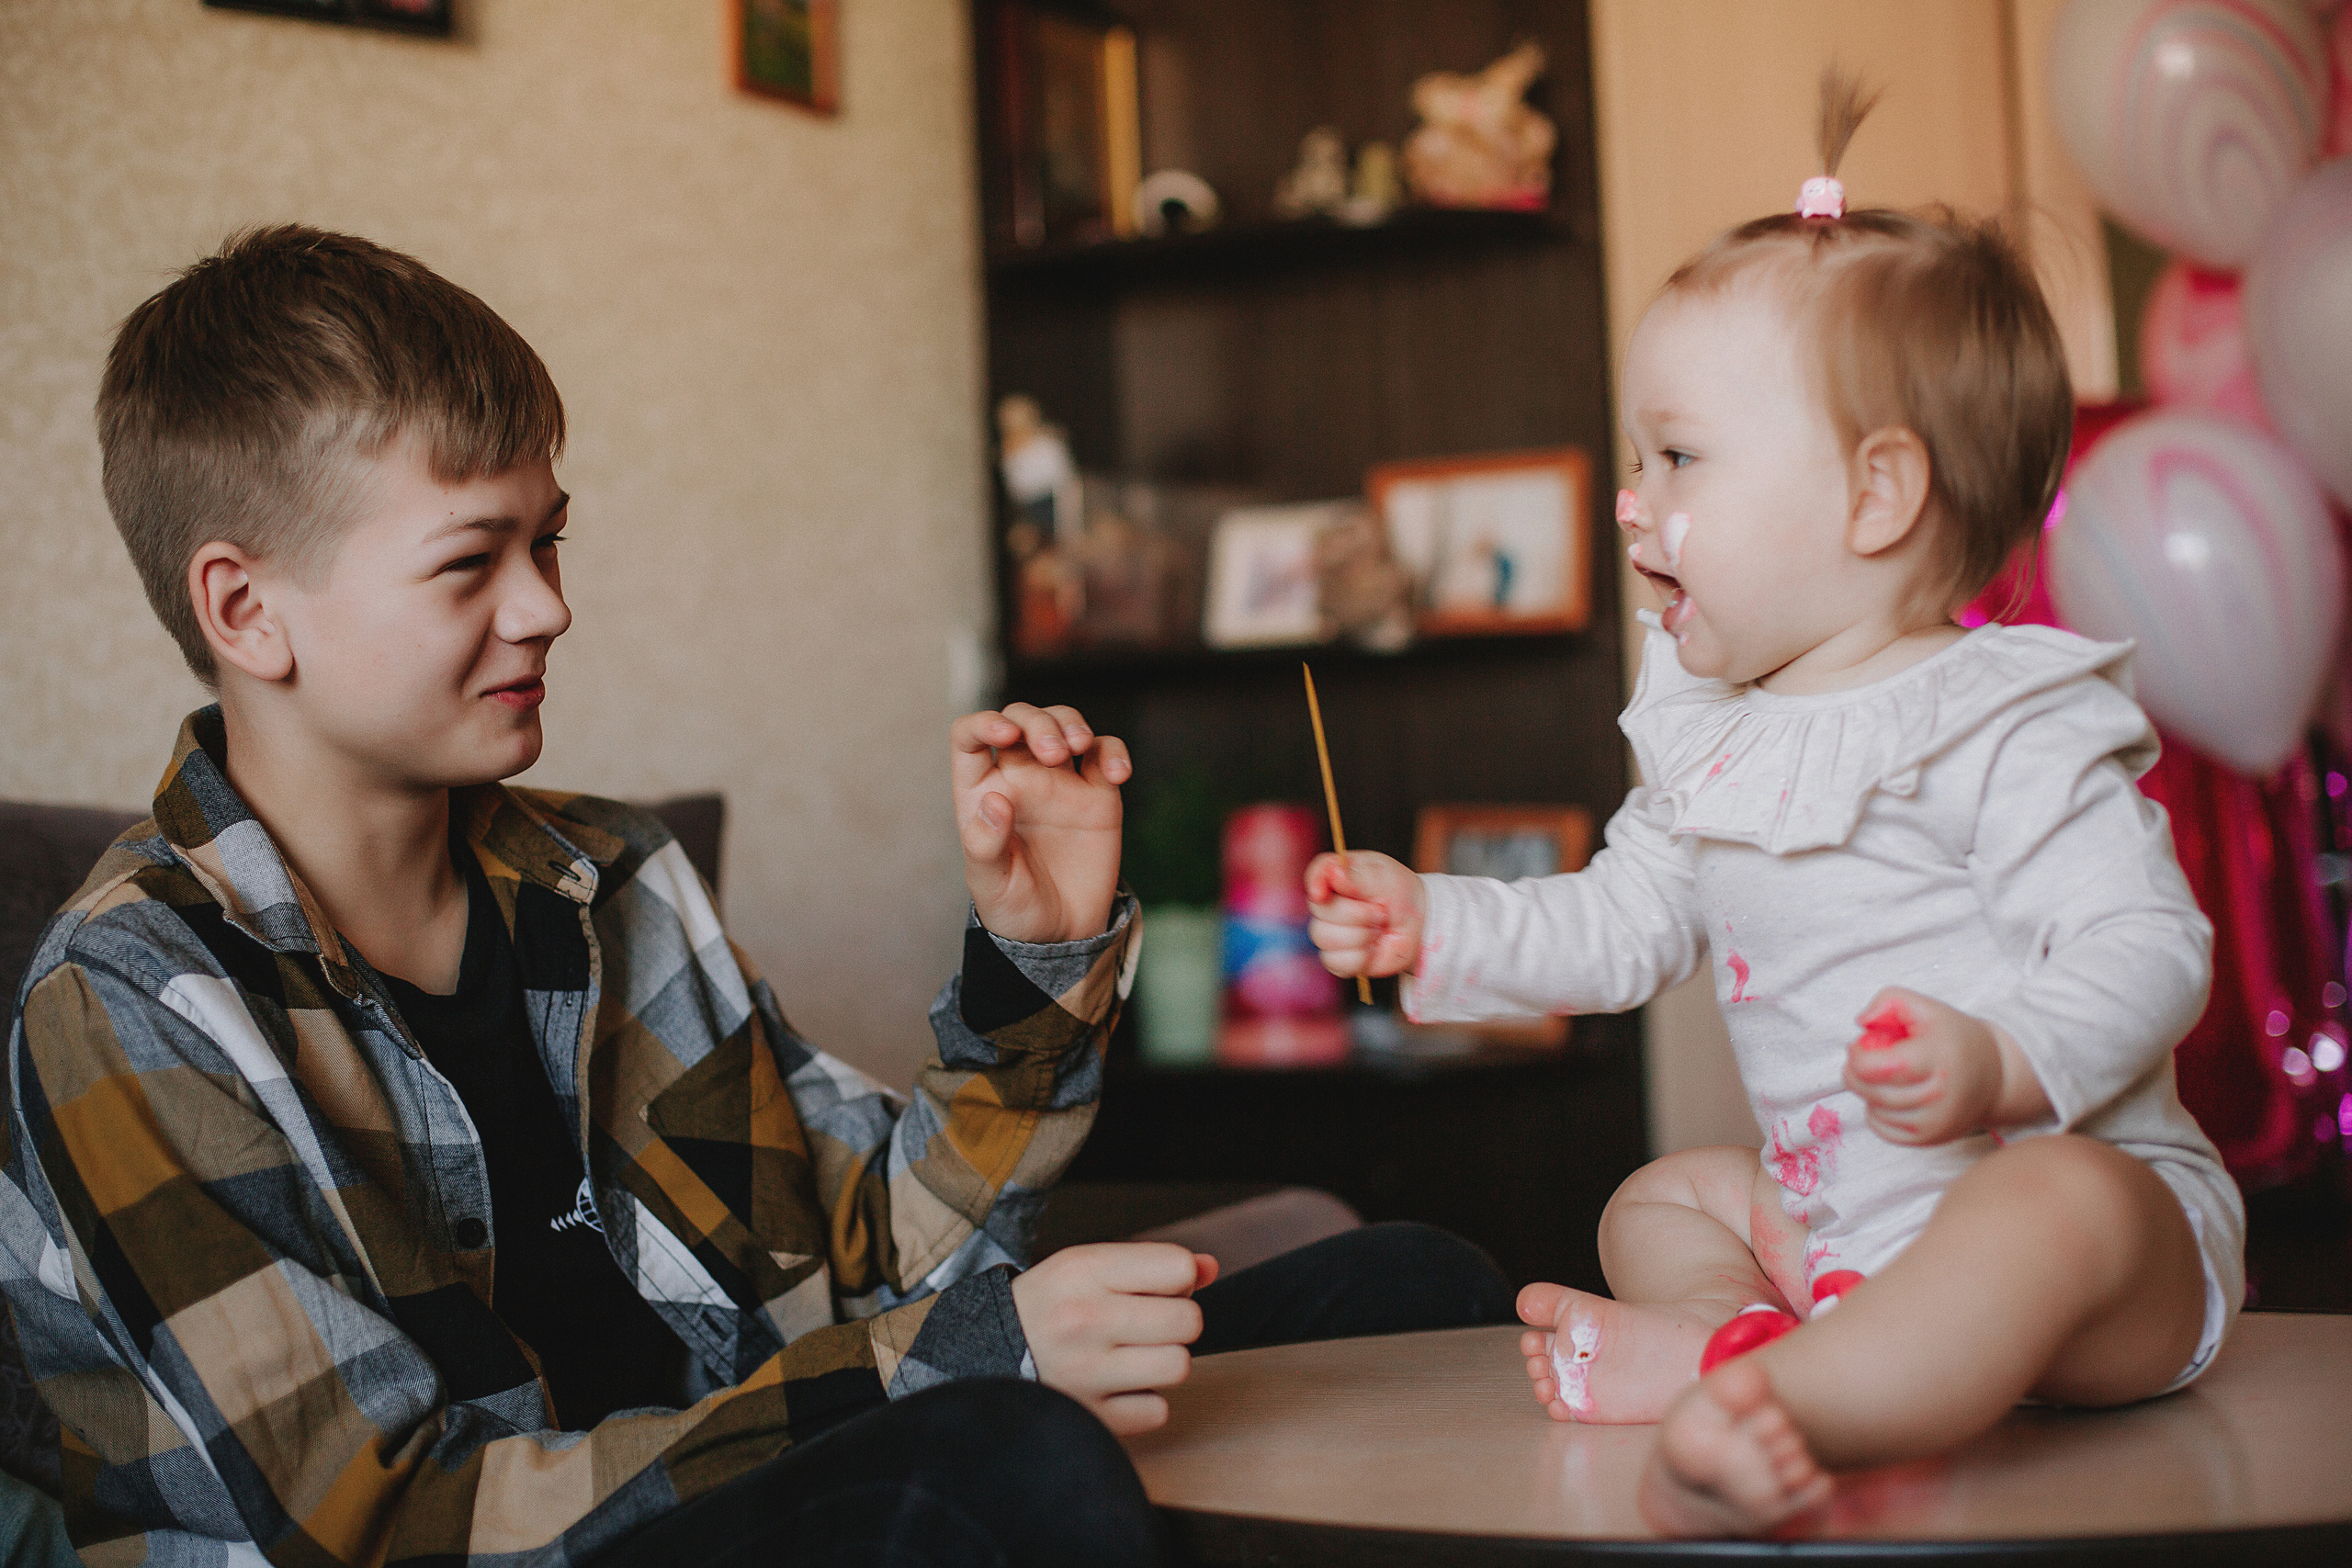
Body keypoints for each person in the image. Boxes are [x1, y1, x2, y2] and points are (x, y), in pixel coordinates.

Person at [1, 226, 1509, 1567]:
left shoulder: (610, 878)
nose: (548, 607)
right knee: (1010, 1459)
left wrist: (1037, 952)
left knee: (1410, 1286)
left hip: (745, 1475)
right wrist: (966, 1365)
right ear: (244, 608)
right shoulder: (131, 1005)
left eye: (550, 542)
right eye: (472, 563)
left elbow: (876, 1261)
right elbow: (390, 1523)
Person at [1303, 74, 2241, 1539]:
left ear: (1877, 498)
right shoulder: (1718, 740)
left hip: (2098, 1259)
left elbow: (2151, 951)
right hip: (1847, 1236)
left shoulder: (2005, 719)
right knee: (1663, 1197)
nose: (1631, 503)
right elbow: (1621, 923)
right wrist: (1435, 920)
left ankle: (1787, 1415)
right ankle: (1742, 1344)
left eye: (1675, 458)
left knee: (2049, 1201)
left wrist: (2004, 1063)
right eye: (1635, 458)